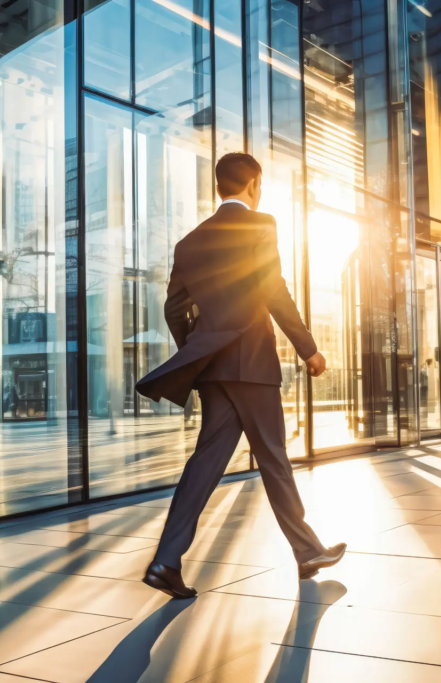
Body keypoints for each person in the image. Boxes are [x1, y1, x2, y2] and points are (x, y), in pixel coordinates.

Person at [135, 153, 345, 599]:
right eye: (260, 184)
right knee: (273, 456)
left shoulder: (189, 242)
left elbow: (174, 308)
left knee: (206, 463)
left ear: (219, 188)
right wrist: (307, 348)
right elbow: (273, 288)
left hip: (214, 368)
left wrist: (201, 344)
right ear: (252, 184)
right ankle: (308, 552)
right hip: (252, 362)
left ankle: (165, 561)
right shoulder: (260, 224)